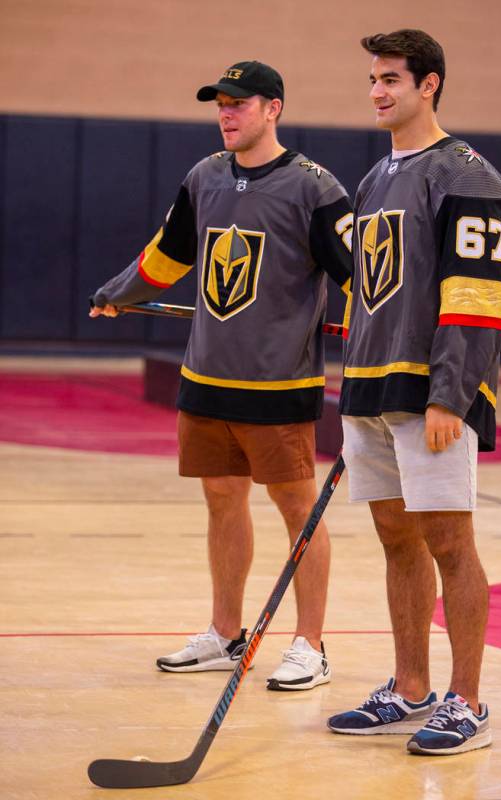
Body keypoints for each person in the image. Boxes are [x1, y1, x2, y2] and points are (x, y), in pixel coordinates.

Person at [90, 61, 353, 691]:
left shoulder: (317, 189)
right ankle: (225, 634)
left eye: (239, 104)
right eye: (220, 104)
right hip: (206, 377)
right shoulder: (204, 176)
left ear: (273, 109)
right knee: (220, 501)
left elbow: (361, 280)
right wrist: (120, 292)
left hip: (279, 386)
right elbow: (168, 253)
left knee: (299, 511)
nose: (227, 114)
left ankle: (309, 646)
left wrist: (390, 339)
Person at [327, 30, 501, 753]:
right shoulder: (375, 180)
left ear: (428, 85)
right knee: (394, 540)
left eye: (391, 80)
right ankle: (409, 688)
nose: (377, 92)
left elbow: (479, 297)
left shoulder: (467, 175)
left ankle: (466, 703)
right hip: (370, 392)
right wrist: (354, 395)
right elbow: (374, 295)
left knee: (449, 543)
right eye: (373, 79)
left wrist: (449, 394)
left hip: (432, 394)